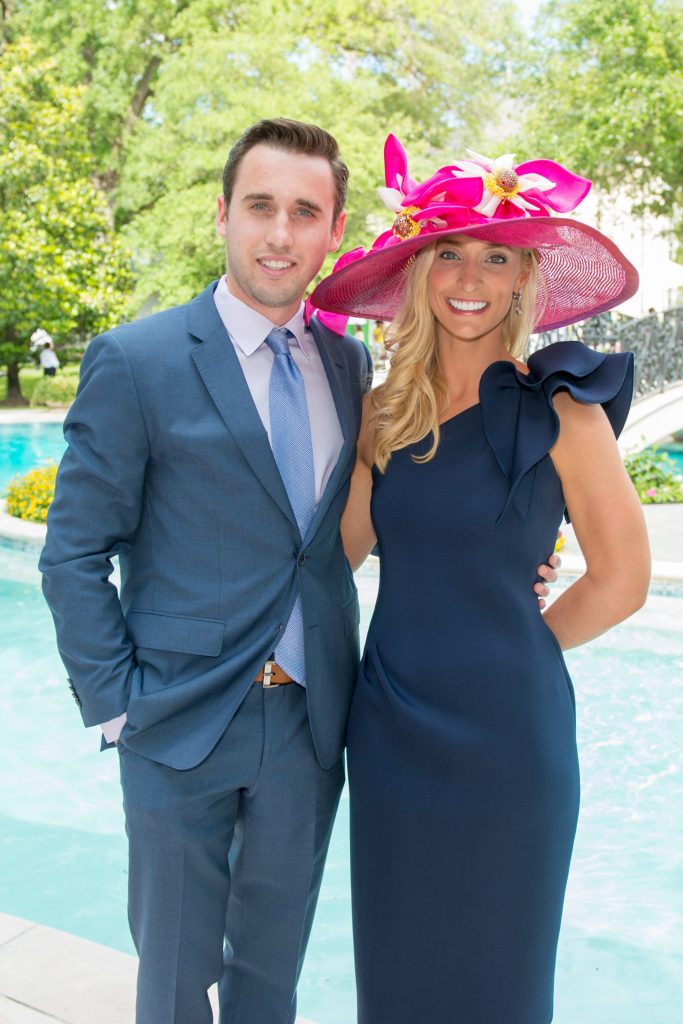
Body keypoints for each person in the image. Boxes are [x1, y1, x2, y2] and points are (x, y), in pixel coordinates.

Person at [39, 119, 559, 1024]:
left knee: (269, 976)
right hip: (177, 721)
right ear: (224, 216)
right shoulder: (138, 360)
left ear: (333, 231)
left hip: (315, 724)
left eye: (304, 212)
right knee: (173, 976)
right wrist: (119, 704)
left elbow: (369, 526)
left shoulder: (351, 365)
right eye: (261, 207)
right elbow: (74, 553)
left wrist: (515, 558)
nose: (280, 233)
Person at [310, 135, 651, 1023]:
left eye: (495, 256)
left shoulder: (564, 408)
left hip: (509, 744)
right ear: (418, 271)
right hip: (389, 736)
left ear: (521, 277)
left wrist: (518, 642)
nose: (470, 277)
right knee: (397, 976)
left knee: (499, 984)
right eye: (448, 253)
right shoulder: (381, 411)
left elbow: (621, 581)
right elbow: (336, 557)